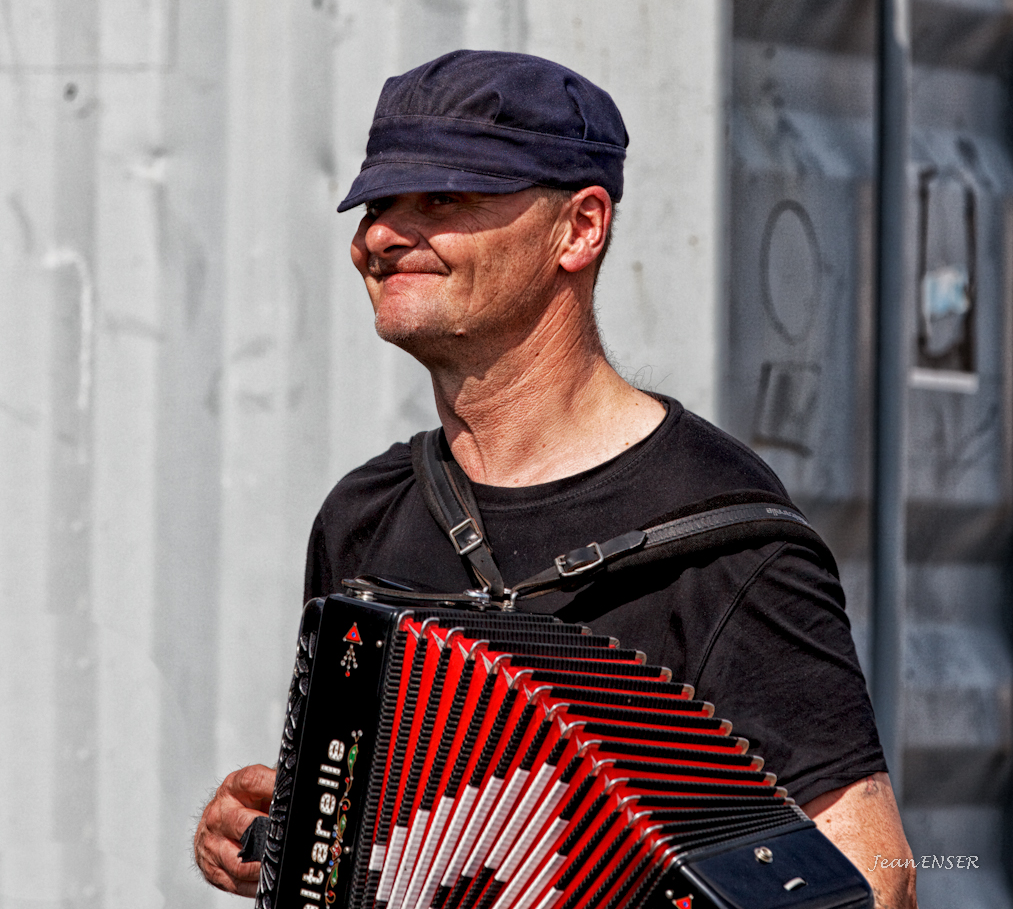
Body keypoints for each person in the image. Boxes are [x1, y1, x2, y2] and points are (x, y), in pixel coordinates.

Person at [195, 50, 917, 908]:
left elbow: (877, 879)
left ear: (579, 228)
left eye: (442, 200)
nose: (380, 237)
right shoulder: (364, 515)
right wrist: (274, 844)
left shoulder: (725, 541)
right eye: (378, 205)